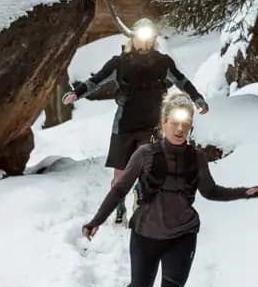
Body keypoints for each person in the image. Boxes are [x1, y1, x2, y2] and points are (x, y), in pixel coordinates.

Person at [80, 93, 258, 287]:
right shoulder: (145, 154)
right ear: (164, 123)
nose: (180, 129)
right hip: (145, 234)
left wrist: (245, 193)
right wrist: (97, 220)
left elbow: (211, 192)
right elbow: (120, 189)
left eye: (186, 124)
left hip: (182, 236)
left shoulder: (196, 158)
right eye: (175, 123)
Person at [64, 18, 209, 224]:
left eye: (149, 37)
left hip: (152, 125)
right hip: (124, 126)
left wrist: (197, 98)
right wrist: (76, 94)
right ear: (133, 38)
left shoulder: (163, 62)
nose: (144, 41)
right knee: (121, 176)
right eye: (140, 37)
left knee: (148, 169)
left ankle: (140, 199)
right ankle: (119, 205)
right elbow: (96, 80)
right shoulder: (119, 63)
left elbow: (182, 80)